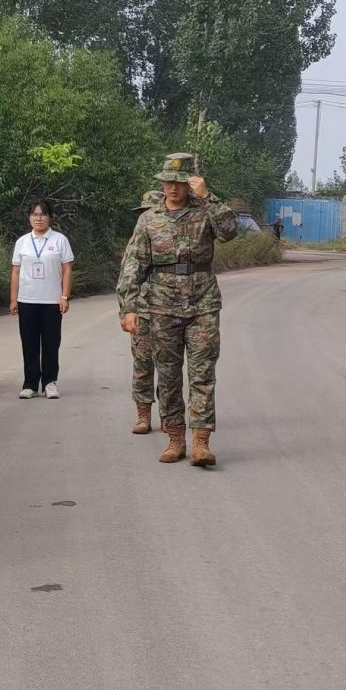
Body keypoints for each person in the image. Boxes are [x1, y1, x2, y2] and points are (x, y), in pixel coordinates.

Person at [117, 153, 238, 466]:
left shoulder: (205, 211)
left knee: (202, 374)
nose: (173, 187)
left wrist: (209, 197)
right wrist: (129, 307)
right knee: (168, 376)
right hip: (162, 306)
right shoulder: (149, 219)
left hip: (202, 304)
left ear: (190, 183)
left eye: (180, 182)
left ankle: (201, 442)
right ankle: (175, 439)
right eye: (167, 182)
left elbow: (229, 231)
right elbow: (133, 265)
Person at [9, 200, 74, 400]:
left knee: (51, 343)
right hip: (27, 299)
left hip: (51, 301)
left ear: (49, 217)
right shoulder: (22, 242)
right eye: (35, 214)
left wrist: (64, 296)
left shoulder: (60, 240)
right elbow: (15, 272)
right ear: (29, 217)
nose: (39, 218)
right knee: (29, 343)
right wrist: (13, 299)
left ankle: (49, 382)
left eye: (43, 214)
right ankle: (30, 383)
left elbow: (67, 269)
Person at [124, 191, 163, 435]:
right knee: (142, 365)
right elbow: (126, 278)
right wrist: (127, 310)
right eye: (143, 212)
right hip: (143, 311)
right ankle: (143, 415)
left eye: (151, 211)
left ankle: (169, 415)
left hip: (170, 310)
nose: (146, 216)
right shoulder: (136, 241)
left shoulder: (171, 238)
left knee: (168, 368)